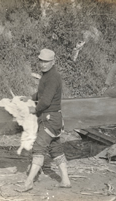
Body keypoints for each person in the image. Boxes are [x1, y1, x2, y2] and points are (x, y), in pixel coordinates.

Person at [17, 48, 71, 192]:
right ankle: (65, 180)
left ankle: (29, 182)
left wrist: (33, 109)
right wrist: (31, 98)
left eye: (46, 61)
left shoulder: (53, 77)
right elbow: (42, 93)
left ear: (53, 62)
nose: (43, 64)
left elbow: (46, 101)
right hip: (53, 119)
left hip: (50, 118)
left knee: (38, 148)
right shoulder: (47, 76)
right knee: (55, 148)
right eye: (41, 60)